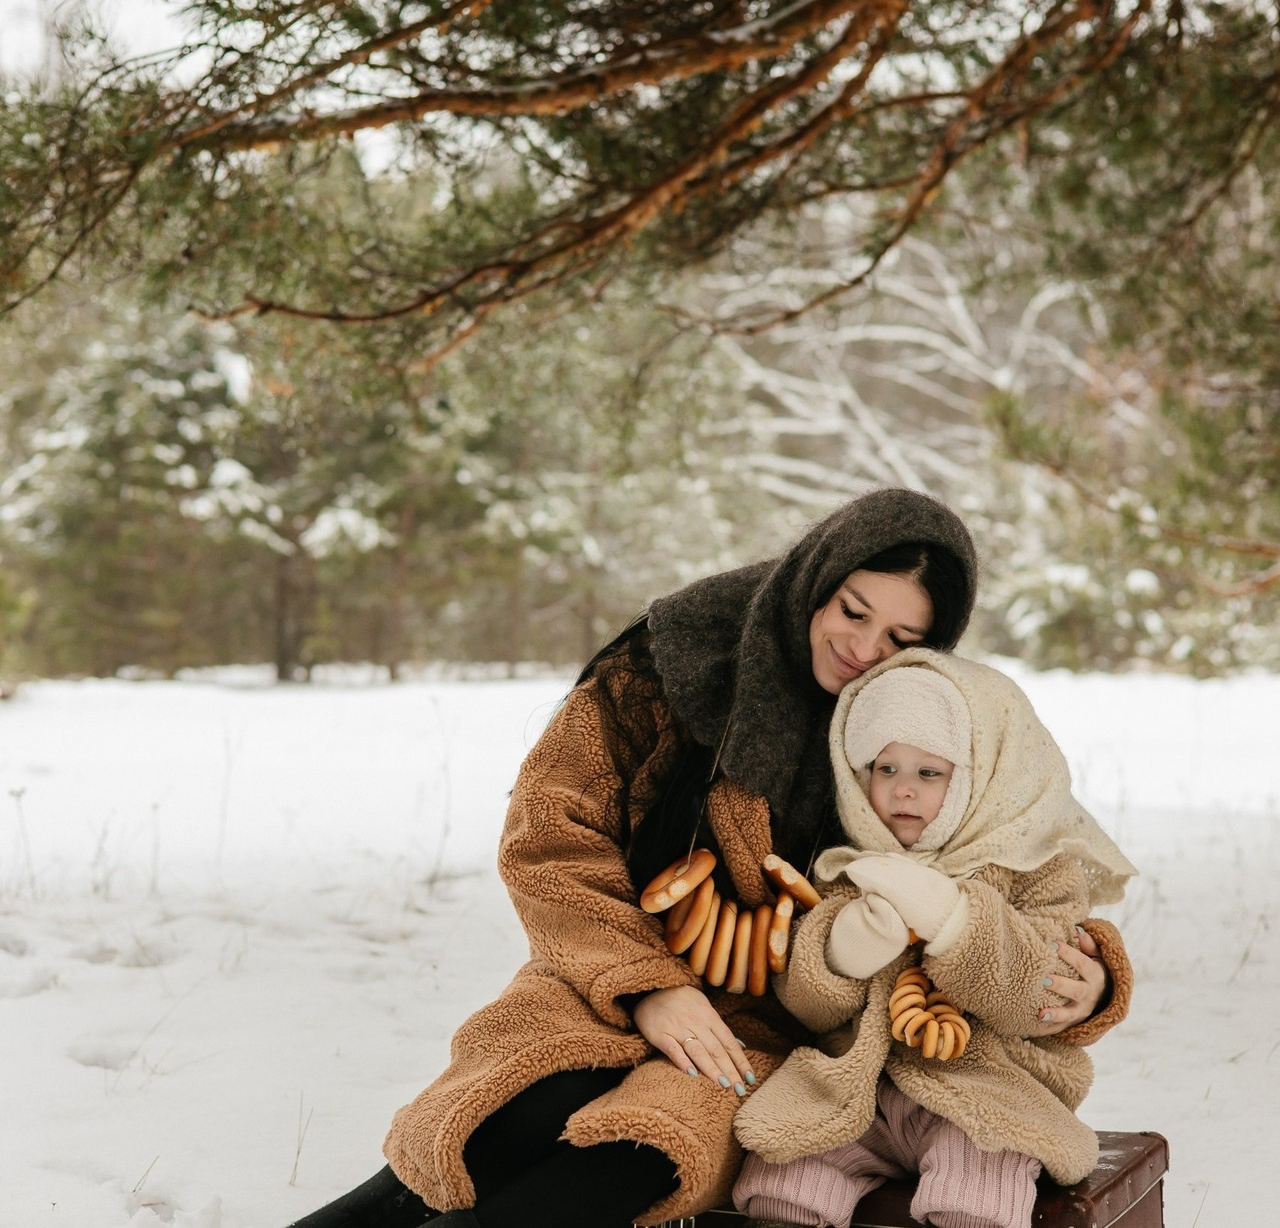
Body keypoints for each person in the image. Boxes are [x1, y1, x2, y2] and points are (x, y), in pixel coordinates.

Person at [286, 489, 1130, 1228]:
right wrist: (648, 988)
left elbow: (1019, 853)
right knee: (511, 1114)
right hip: (609, 975)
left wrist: (1092, 981)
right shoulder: (673, 660)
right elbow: (551, 837)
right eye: (852, 610)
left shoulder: (913, 734)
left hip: (770, 1034)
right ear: (817, 578)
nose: (863, 648)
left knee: (636, 1156)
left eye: (900, 635)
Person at [731, 653, 1136, 1228]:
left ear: (978, 777)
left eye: (929, 773)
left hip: (985, 1091)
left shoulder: (1036, 869)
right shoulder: (850, 866)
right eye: (885, 768)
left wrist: (955, 921)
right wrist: (842, 950)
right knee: (785, 1175)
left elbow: (1046, 992)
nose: (902, 791)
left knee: (976, 1185)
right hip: (859, 1093)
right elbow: (806, 1003)